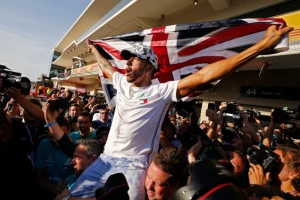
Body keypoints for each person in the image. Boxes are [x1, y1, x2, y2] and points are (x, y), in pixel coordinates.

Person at [45, 25, 293, 199]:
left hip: (133, 168)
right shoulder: (121, 82)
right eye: (126, 60)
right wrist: (95, 50)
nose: (127, 63)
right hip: (105, 160)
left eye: (133, 59)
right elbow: (107, 68)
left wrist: (261, 45)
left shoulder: (161, 91)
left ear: (151, 66)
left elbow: (207, 74)